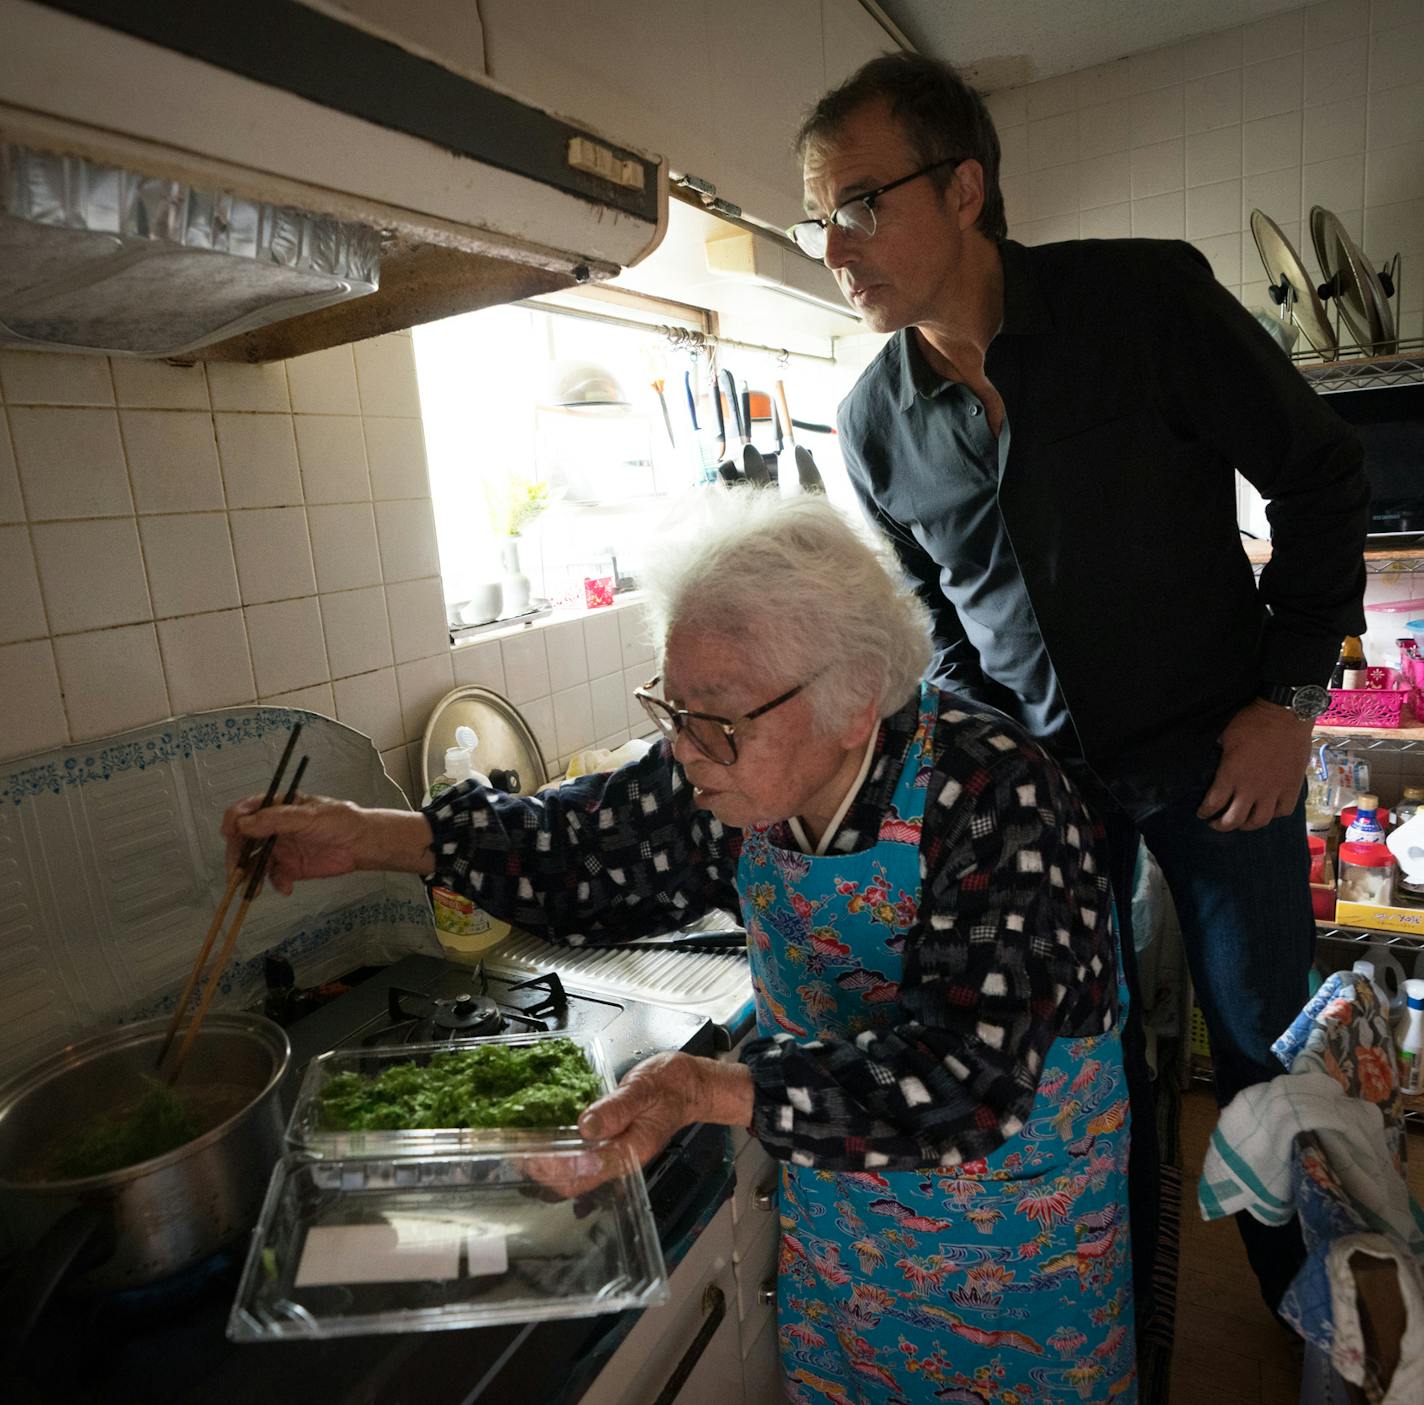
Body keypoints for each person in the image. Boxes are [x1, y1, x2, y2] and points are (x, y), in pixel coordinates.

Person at [225, 492, 1137, 1404]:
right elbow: (581, 849)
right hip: (849, 1236)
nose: (686, 750)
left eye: (717, 719)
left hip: (1015, 1237)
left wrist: (700, 1086)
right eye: (670, 707)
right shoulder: (726, 770)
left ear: (856, 701)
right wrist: (370, 836)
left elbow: (966, 1081)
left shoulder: (999, 795)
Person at [790, 51, 1369, 1326]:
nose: (835, 246)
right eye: (817, 217)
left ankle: (1312, 1312)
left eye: (859, 203)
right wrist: (985, 769)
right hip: (1044, 792)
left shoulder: (1140, 302)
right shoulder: (871, 423)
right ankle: (1107, 1299)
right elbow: (937, 620)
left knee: (1264, 1046)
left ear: (962, 188)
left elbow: (1321, 476)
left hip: (1222, 747)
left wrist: (1288, 700)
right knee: (1066, 1057)